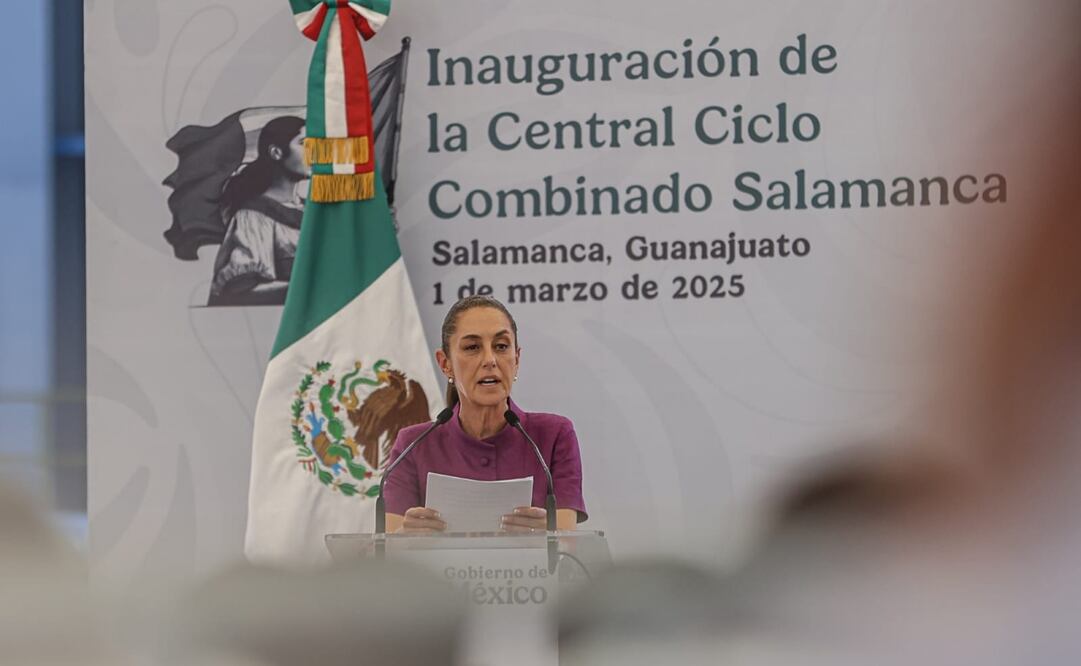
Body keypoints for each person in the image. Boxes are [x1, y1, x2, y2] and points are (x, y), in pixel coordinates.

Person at [383, 295, 587, 533]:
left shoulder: (553, 436)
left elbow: (568, 547)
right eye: (472, 347)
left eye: (501, 346)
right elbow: (389, 556)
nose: (490, 360)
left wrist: (547, 537)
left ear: (517, 359)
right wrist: (404, 539)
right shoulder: (413, 444)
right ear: (445, 363)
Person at [207, 116, 307, 306]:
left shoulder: (314, 210)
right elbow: (239, 291)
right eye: (304, 143)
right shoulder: (252, 216)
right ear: (276, 152)